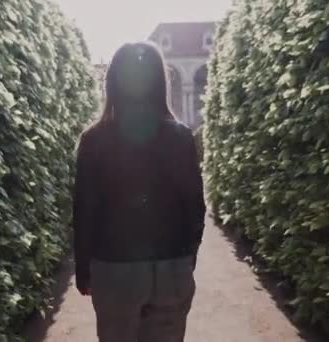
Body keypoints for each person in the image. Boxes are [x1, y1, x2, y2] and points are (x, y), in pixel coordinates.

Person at [73, 41, 206, 342]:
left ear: (112, 82)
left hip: (113, 268)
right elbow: (195, 206)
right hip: (171, 265)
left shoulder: (93, 140)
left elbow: (85, 210)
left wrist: (84, 267)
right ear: (161, 81)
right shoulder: (181, 137)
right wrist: (187, 256)